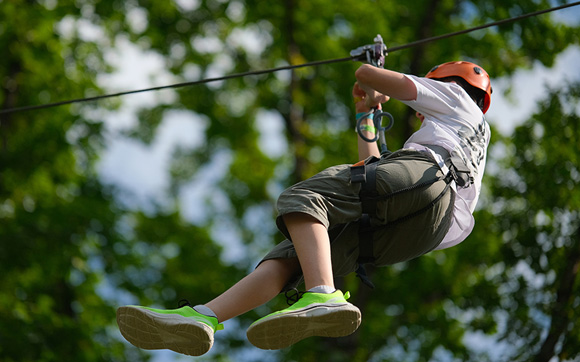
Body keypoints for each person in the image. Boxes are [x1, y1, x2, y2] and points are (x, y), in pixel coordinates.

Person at [116, 60, 492, 356]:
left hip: (428, 180)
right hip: (430, 227)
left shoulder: (453, 97)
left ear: (448, 81)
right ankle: (205, 317)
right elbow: (373, 171)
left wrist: (372, 75)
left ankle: (322, 295)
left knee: (304, 199)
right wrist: (366, 115)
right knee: (298, 253)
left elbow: (366, 73)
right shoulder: (460, 136)